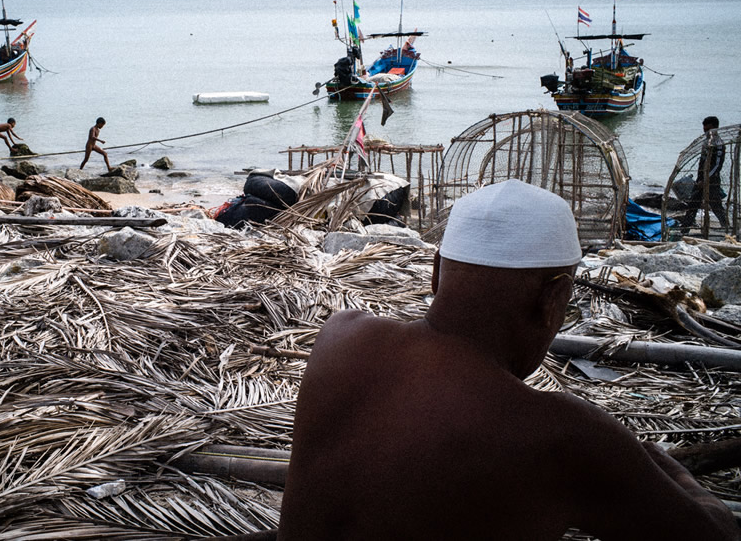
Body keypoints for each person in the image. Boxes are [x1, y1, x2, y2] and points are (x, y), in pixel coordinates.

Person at [278, 179, 738, 540]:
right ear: (554, 298)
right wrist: (676, 473)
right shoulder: (562, 433)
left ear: (437, 273)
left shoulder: (340, 336)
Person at [680, 116, 730, 235]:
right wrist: (700, 179)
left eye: (707, 129)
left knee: (715, 204)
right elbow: (702, 163)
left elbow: (717, 165)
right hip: (700, 179)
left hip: (712, 180)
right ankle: (684, 229)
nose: (705, 132)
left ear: (714, 128)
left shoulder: (718, 144)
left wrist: (706, 179)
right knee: (693, 204)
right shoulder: (706, 141)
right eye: (704, 129)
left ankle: (726, 228)